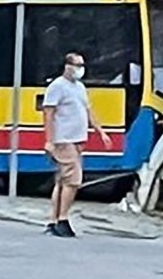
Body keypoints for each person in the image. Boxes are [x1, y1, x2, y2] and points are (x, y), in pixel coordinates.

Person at [42, 52, 112, 238]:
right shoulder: (57, 86)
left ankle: (53, 220)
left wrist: (101, 132)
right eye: (77, 65)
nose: (80, 69)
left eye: (82, 65)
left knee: (62, 181)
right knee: (73, 180)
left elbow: (88, 111)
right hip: (63, 139)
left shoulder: (80, 87)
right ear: (67, 66)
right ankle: (63, 219)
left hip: (77, 139)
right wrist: (49, 140)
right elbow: (48, 113)